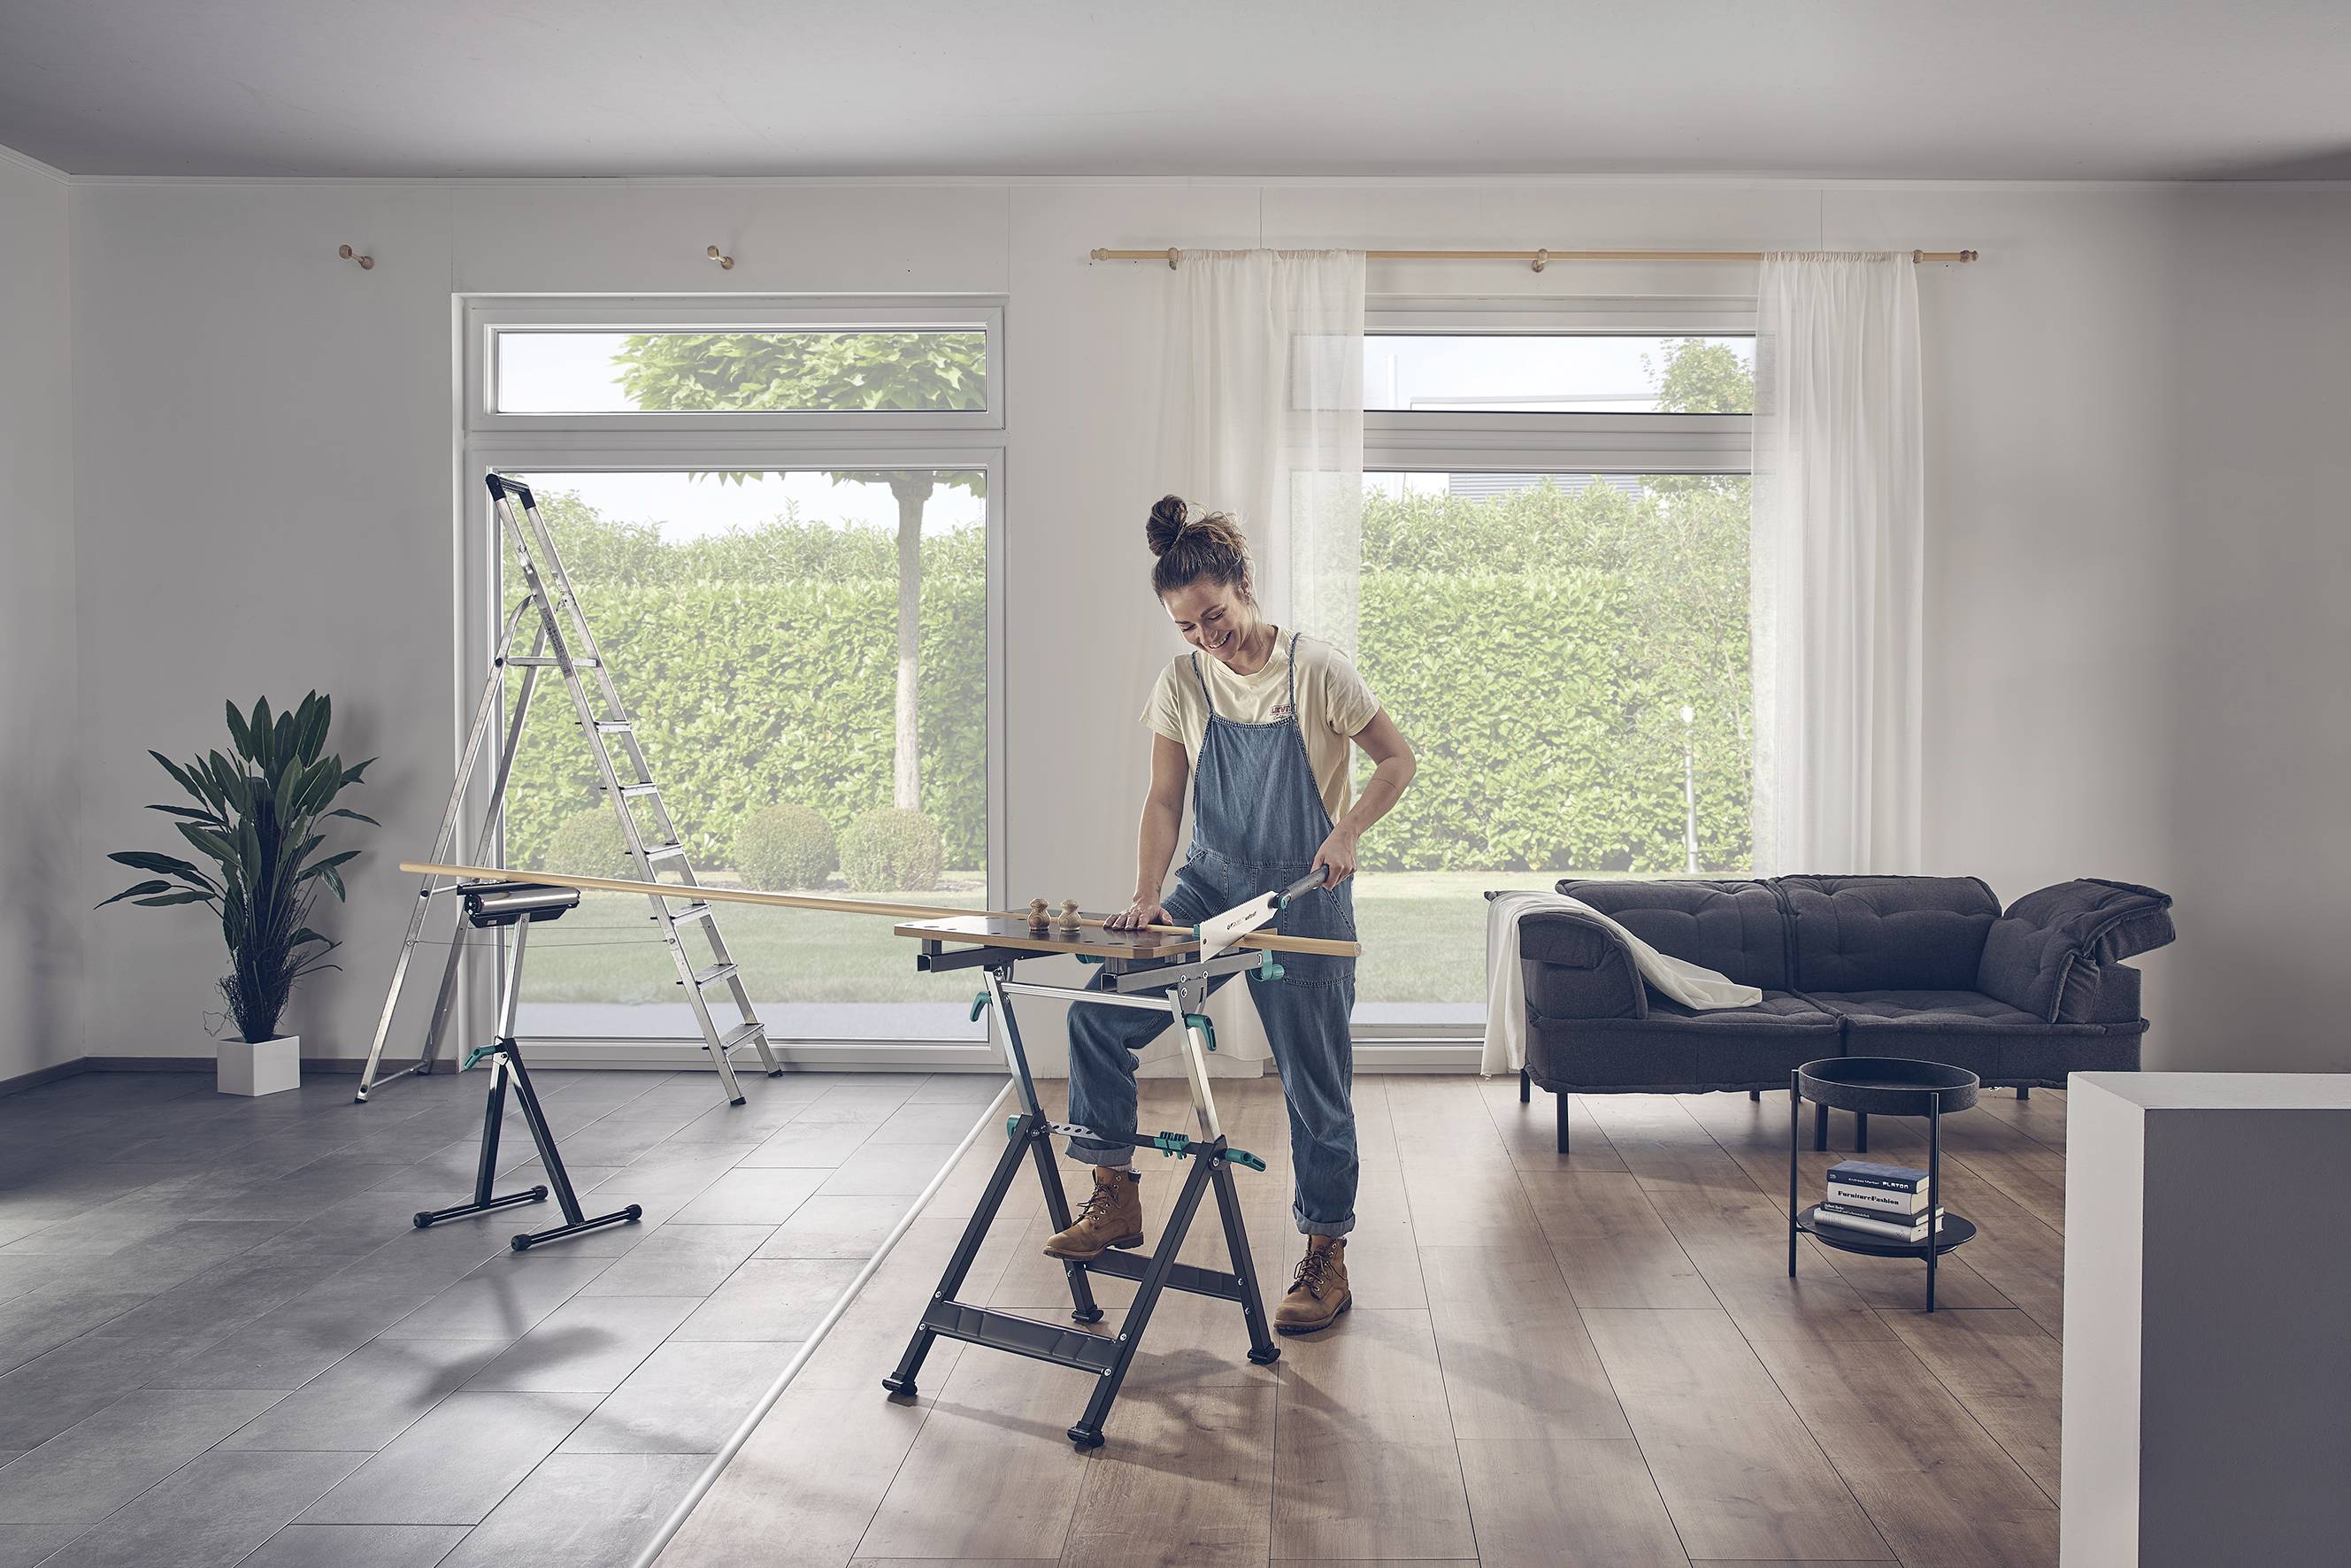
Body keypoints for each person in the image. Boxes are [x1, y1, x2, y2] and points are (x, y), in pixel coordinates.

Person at [1044, 495, 1417, 1334]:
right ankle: (1113, 1193)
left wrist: (1349, 829)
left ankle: (1326, 1256)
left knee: (1316, 1086)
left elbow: (1397, 759)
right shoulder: (1182, 680)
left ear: (1244, 585)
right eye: (1186, 627)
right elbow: (1164, 800)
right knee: (1100, 1013)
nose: (1206, 637)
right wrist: (1147, 896)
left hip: (1303, 894)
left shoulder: (1316, 669)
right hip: (1211, 885)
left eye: (1213, 616)